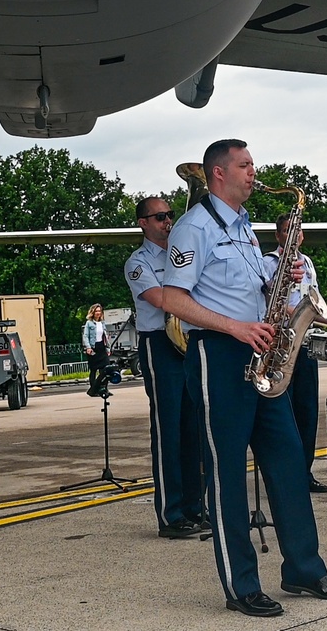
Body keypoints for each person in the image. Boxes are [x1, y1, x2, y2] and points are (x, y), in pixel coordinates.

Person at [162, 139, 327, 617]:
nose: (255, 172)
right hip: (221, 354)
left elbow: (250, 290)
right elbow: (172, 298)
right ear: (218, 174)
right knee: (227, 471)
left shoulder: (246, 227)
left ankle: (304, 570)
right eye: (246, 165)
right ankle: (241, 584)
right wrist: (235, 327)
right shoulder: (194, 227)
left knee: (289, 462)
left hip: (263, 352)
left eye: (253, 164)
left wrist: (281, 282)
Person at [124, 197, 202, 538]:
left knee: (194, 430)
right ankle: (171, 515)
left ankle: (196, 509)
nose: (168, 221)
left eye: (171, 215)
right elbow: (163, 300)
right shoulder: (138, 263)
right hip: (160, 344)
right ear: (143, 223)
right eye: (160, 217)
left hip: (188, 341)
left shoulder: (182, 258)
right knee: (168, 430)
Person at [263, 213, 327, 494]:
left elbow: (313, 299)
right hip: (281, 345)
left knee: (307, 411)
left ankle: (304, 472)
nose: (294, 235)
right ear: (279, 236)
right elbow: (272, 300)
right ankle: (284, 475)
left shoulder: (308, 262)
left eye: (298, 231)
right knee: (284, 413)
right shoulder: (269, 262)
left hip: (305, 342)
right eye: (288, 231)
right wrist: (309, 316)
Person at [82, 304, 110, 396]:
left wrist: (108, 348)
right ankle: (93, 390)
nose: (98, 313)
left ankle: (104, 388)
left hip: (102, 347)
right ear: (93, 312)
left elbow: (105, 336)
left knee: (105, 369)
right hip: (93, 348)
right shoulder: (89, 323)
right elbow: (85, 336)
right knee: (93, 370)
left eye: (99, 311)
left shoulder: (102, 323)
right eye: (96, 311)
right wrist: (88, 347)